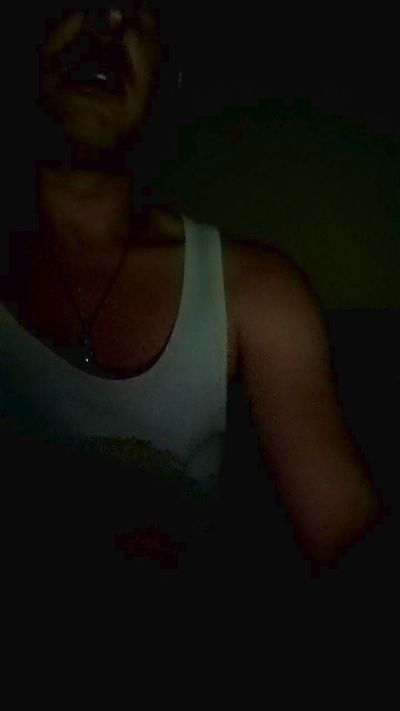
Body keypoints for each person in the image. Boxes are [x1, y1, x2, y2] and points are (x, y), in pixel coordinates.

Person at [1, 3, 387, 576]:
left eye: (142, 8)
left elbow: (351, 547)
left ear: (169, 76)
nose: (108, 20)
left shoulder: (256, 292)